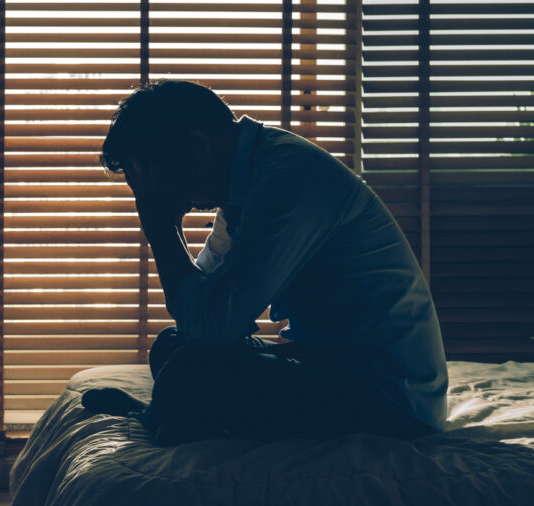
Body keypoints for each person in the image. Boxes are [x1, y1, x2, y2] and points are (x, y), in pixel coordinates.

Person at [81, 80, 448, 446]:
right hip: (329, 363)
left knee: (191, 369)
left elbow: (213, 326)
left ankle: (161, 417)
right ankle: (165, 416)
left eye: (152, 177)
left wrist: (159, 228)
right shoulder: (245, 182)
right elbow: (199, 309)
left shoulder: (289, 181)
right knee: (171, 346)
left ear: (196, 147)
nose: (150, 193)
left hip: (391, 400)